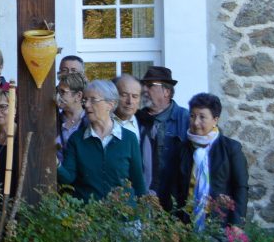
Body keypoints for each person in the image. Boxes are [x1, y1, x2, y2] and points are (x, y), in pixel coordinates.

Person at [161, 93, 248, 229]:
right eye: (192, 116)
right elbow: (172, 187)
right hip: (184, 225)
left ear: (215, 120)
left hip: (219, 224)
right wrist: (172, 221)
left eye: (202, 117)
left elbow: (240, 187)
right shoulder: (181, 149)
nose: (196, 122)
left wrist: (236, 224)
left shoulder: (231, 149)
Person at [58, 80, 146, 201]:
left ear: (110, 104)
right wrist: (56, 164)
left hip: (125, 216)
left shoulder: (129, 139)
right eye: (85, 100)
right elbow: (68, 178)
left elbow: (138, 183)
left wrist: (145, 214)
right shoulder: (77, 139)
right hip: (88, 216)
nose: (87, 105)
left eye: (93, 100)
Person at [136, 66, 190, 195]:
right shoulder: (136, 120)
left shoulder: (185, 119)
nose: (144, 90)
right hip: (143, 197)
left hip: (175, 197)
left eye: (150, 85)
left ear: (166, 91)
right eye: (143, 85)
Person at [55, 72, 88, 164]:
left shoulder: (90, 122)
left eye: (62, 92)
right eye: (57, 91)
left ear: (78, 96)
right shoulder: (53, 120)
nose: (58, 96)